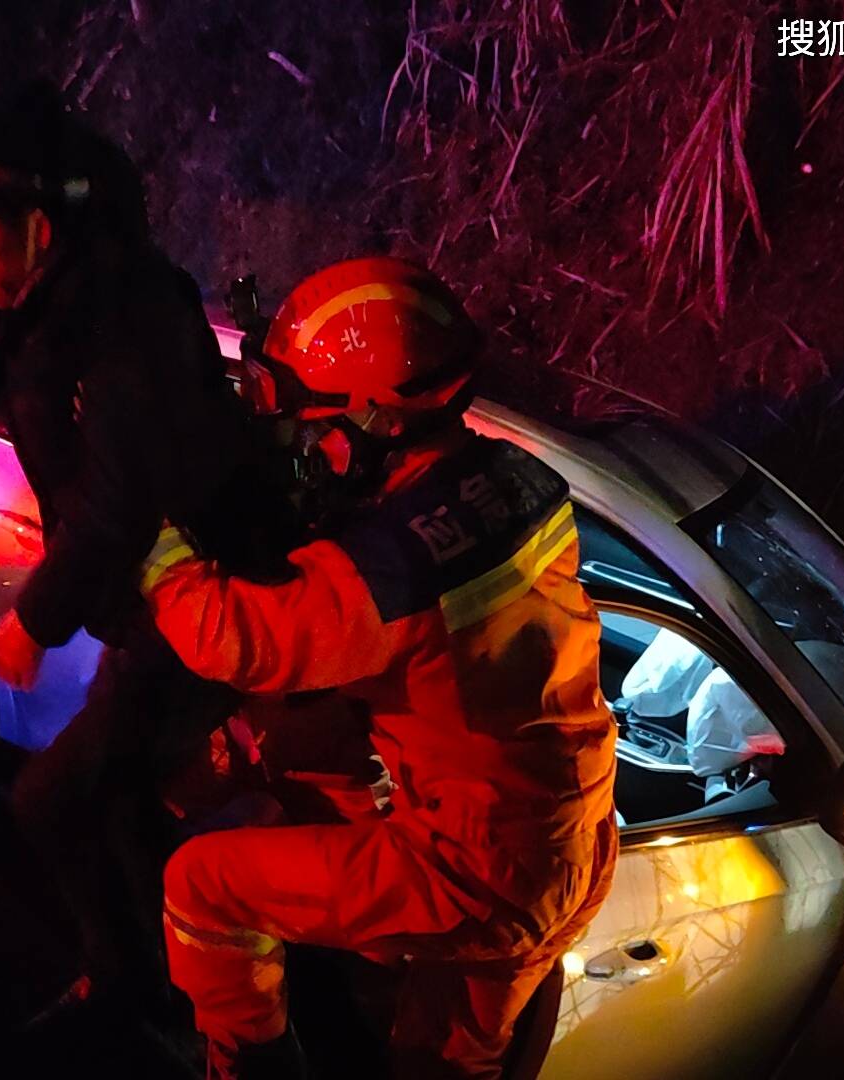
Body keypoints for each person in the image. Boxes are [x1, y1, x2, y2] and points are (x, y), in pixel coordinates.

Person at [139, 257, 619, 1078]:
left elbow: (233, 637)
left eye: (302, 416)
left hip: (472, 868)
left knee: (202, 885)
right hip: (572, 849)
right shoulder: (521, 479)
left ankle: (247, 1068)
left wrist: (148, 536)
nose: (291, 437)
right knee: (438, 1065)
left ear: (374, 420)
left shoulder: (393, 564)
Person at [0, 86, 295, 1014]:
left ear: (36, 222)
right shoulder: (47, 299)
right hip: (151, 609)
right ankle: (169, 980)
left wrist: (32, 622)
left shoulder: (126, 316)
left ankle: (158, 994)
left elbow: (121, 500)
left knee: (51, 800)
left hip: (210, 603)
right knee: (117, 800)